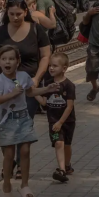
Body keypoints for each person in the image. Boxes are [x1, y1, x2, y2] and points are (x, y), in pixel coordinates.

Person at [0, 0, 51, 179]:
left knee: (23, 123)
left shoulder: (36, 30)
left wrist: (37, 78)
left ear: (25, 12)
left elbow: (45, 56)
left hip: (27, 85)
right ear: (6, 14)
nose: (15, 17)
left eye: (19, 14)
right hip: (4, 86)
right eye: (11, 14)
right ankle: (10, 160)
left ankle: (19, 164)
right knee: (4, 126)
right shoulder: (0, 32)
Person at [0, 45, 58, 197]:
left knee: (25, 150)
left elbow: (30, 92)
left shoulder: (23, 76)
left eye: (11, 59)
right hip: (7, 120)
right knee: (9, 154)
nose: (8, 62)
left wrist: (46, 89)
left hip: (23, 118)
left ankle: (24, 184)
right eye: (4, 59)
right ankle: (6, 186)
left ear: (17, 62)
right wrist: (11, 94)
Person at [36, 53, 76, 183]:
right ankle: (62, 170)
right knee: (58, 143)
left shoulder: (69, 85)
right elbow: (44, 103)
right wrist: (33, 92)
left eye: (55, 66)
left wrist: (61, 122)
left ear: (64, 68)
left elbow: (69, 106)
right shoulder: (48, 84)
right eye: (50, 66)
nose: (51, 68)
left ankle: (67, 165)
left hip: (67, 121)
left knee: (67, 145)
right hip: (53, 121)